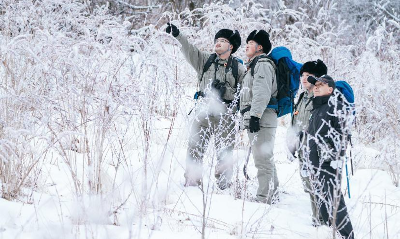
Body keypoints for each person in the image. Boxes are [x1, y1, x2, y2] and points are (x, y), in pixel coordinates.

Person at [166, 23, 246, 189]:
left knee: (225, 151)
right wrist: (177, 35)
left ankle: (224, 185)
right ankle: (192, 182)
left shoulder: (238, 67)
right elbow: (189, 49)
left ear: (231, 46)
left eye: (223, 40)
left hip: (226, 113)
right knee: (194, 147)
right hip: (203, 110)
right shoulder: (205, 60)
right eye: (217, 40)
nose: (218, 42)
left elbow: (245, 93)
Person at [304, 75, 354, 239]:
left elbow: (343, 134)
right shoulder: (317, 108)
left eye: (320, 85)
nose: (316, 87)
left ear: (330, 89)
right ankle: (330, 233)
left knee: (334, 201)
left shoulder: (335, 106)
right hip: (315, 163)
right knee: (323, 203)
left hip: (328, 162)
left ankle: (347, 235)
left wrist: (331, 153)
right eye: (315, 85)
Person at [239, 30, 279, 204]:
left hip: (261, 117)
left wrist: (254, 115)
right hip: (259, 116)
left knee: (262, 161)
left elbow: (262, 92)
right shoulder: (254, 65)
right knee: (264, 158)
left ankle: (264, 198)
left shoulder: (262, 64)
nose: (247, 45)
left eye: (251, 42)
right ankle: (272, 192)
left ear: (260, 47)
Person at [290, 59, 327, 226]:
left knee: (317, 184)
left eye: (309, 75)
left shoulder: (321, 97)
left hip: (316, 148)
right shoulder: (304, 96)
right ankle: (317, 219)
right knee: (309, 184)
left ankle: (323, 220)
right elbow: (297, 119)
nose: (304, 78)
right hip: (302, 146)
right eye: (302, 75)